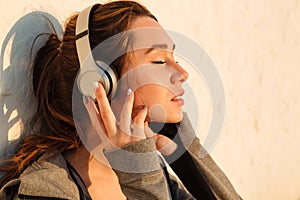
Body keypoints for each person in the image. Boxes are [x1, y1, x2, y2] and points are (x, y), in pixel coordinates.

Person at [0, 1, 242, 199]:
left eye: (174, 56)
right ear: (102, 83)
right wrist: (139, 177)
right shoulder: (44, 191)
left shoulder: (155, 174)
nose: (182, 73)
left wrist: (185, 144)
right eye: (158, 61)